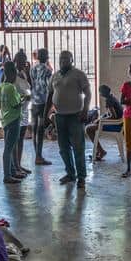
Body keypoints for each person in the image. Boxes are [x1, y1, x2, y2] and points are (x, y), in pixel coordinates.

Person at [46, 50, 92, 188]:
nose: (63, 61)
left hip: (75, 116)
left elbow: (88, 94)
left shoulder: (78, 74)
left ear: (72, 60)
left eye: (66, 58)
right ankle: (70, 174)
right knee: (63, 148)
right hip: (59, 117)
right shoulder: (54, 76)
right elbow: (50, 96)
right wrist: (45, 116)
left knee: (78, 148)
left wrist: (85, 110)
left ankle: (81, 177)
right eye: (61, 58)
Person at [0, 61, 25, 184]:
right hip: (14, 119)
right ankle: (7, 175)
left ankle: (12, 171)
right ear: (13, 73)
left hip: (5, 120)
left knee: (10, 147)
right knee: (8, 149)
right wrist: (24, 99)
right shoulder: (11, 88)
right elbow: (16, 105)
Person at [29, 49, 54, 165]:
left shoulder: (33, 68)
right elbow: (50, 89)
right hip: (43, 102)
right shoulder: (48, 71)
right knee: (40, 129)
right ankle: (39, 157)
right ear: (47, 57)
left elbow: (31, 84)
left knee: (34, 129)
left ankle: (37, 155)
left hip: (34, 101)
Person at [87, 84, 124, 161]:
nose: (100, 94)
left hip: (116, 125)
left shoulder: (109, 100)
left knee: (88, 129)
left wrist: (100, 120)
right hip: (119, 123)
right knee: (94, 125)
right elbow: (110, 114)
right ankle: (99, 151)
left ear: (103, 93)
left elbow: (113, 116)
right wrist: (101, 118)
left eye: (100, 92)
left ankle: (101, 151)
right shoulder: (112, 97)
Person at [12, 51, 33, 177]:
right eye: (21, 60)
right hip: (16, 110)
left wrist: (29, 72)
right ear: (16, 60)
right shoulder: (12, 73)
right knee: (14, 140)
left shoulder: (24, 72)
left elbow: (30, 86)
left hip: (24, 109)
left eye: (25, 60)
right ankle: (14, 167)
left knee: (20, 139)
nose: (24, 62)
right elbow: (11, 91)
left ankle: (18, 165)